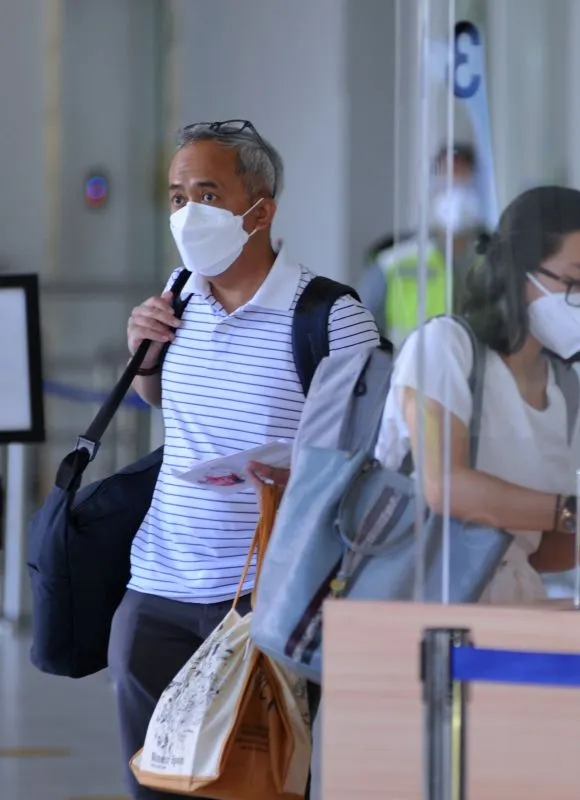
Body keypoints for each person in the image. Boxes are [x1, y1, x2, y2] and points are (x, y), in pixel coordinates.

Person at [111, 119, 379, 798]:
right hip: (158, 586)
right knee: (156, 783)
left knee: (254, 783)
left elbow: (373, 451)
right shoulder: (178, 293)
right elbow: (161, 402)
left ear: (260, 209)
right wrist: (141, 351)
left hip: (269, 595)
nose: (187, 212)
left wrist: (300, 473)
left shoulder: (329, 316)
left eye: (207, 192)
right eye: (176, 196)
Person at [373, 185, 580, 603]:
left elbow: (535, 548)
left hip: (511, 610)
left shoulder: (564, 386)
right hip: (420, 606)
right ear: (518, 270)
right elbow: (445, 488)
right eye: (576, 281)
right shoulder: (445, 347)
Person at [358, 142, 486, 342]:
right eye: (446, 183)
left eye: (463, 184)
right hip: (408, 370)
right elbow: (362, 339)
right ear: (432, 188)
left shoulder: (497, 259)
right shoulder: (392, 262)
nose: (454, 194)